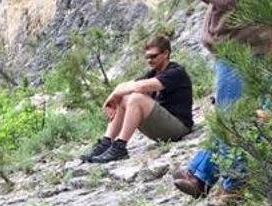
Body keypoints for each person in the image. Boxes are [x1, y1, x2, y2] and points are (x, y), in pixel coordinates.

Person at [173, 0, 272, 206]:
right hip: (239, 50)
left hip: (240, 51)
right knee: (232, 116)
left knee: (233, 119)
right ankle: (201, 176)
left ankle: (232, 187)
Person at [82, 34, 194, 163]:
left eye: (154, 56)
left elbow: (140, 87)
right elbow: (124, 86)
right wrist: (116, 96)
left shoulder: (176, 72)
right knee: (124, 97)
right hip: (163, 128)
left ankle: (120, 146)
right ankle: (106, 142)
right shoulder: (152, 74)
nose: (149, 60)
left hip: (179, 128)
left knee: (136, 98)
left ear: (165, 54)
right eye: (147, 57)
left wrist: (114, 95)